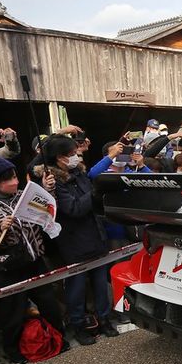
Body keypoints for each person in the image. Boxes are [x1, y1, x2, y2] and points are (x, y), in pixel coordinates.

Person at [0, 156, 65, 364]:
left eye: (14, 176)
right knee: (13, 311)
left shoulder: (23, 196)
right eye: (6, 179)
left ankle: (59, 339)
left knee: (49, 303)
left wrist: (49, 195)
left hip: (35, 259)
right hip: (9, 266)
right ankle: (13, 350)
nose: (13, 182)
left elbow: (46, 213)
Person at [43, 136, 118, 345]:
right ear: (59, 158)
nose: (77, 156)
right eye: (72, 154)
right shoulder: (54, 182)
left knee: (101, 284)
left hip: (96, 236)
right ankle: (78, 325)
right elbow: (73, 209)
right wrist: (95, 192)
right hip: (74, 242)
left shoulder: (81, 173)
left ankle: (104, 320)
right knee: (76, 287)